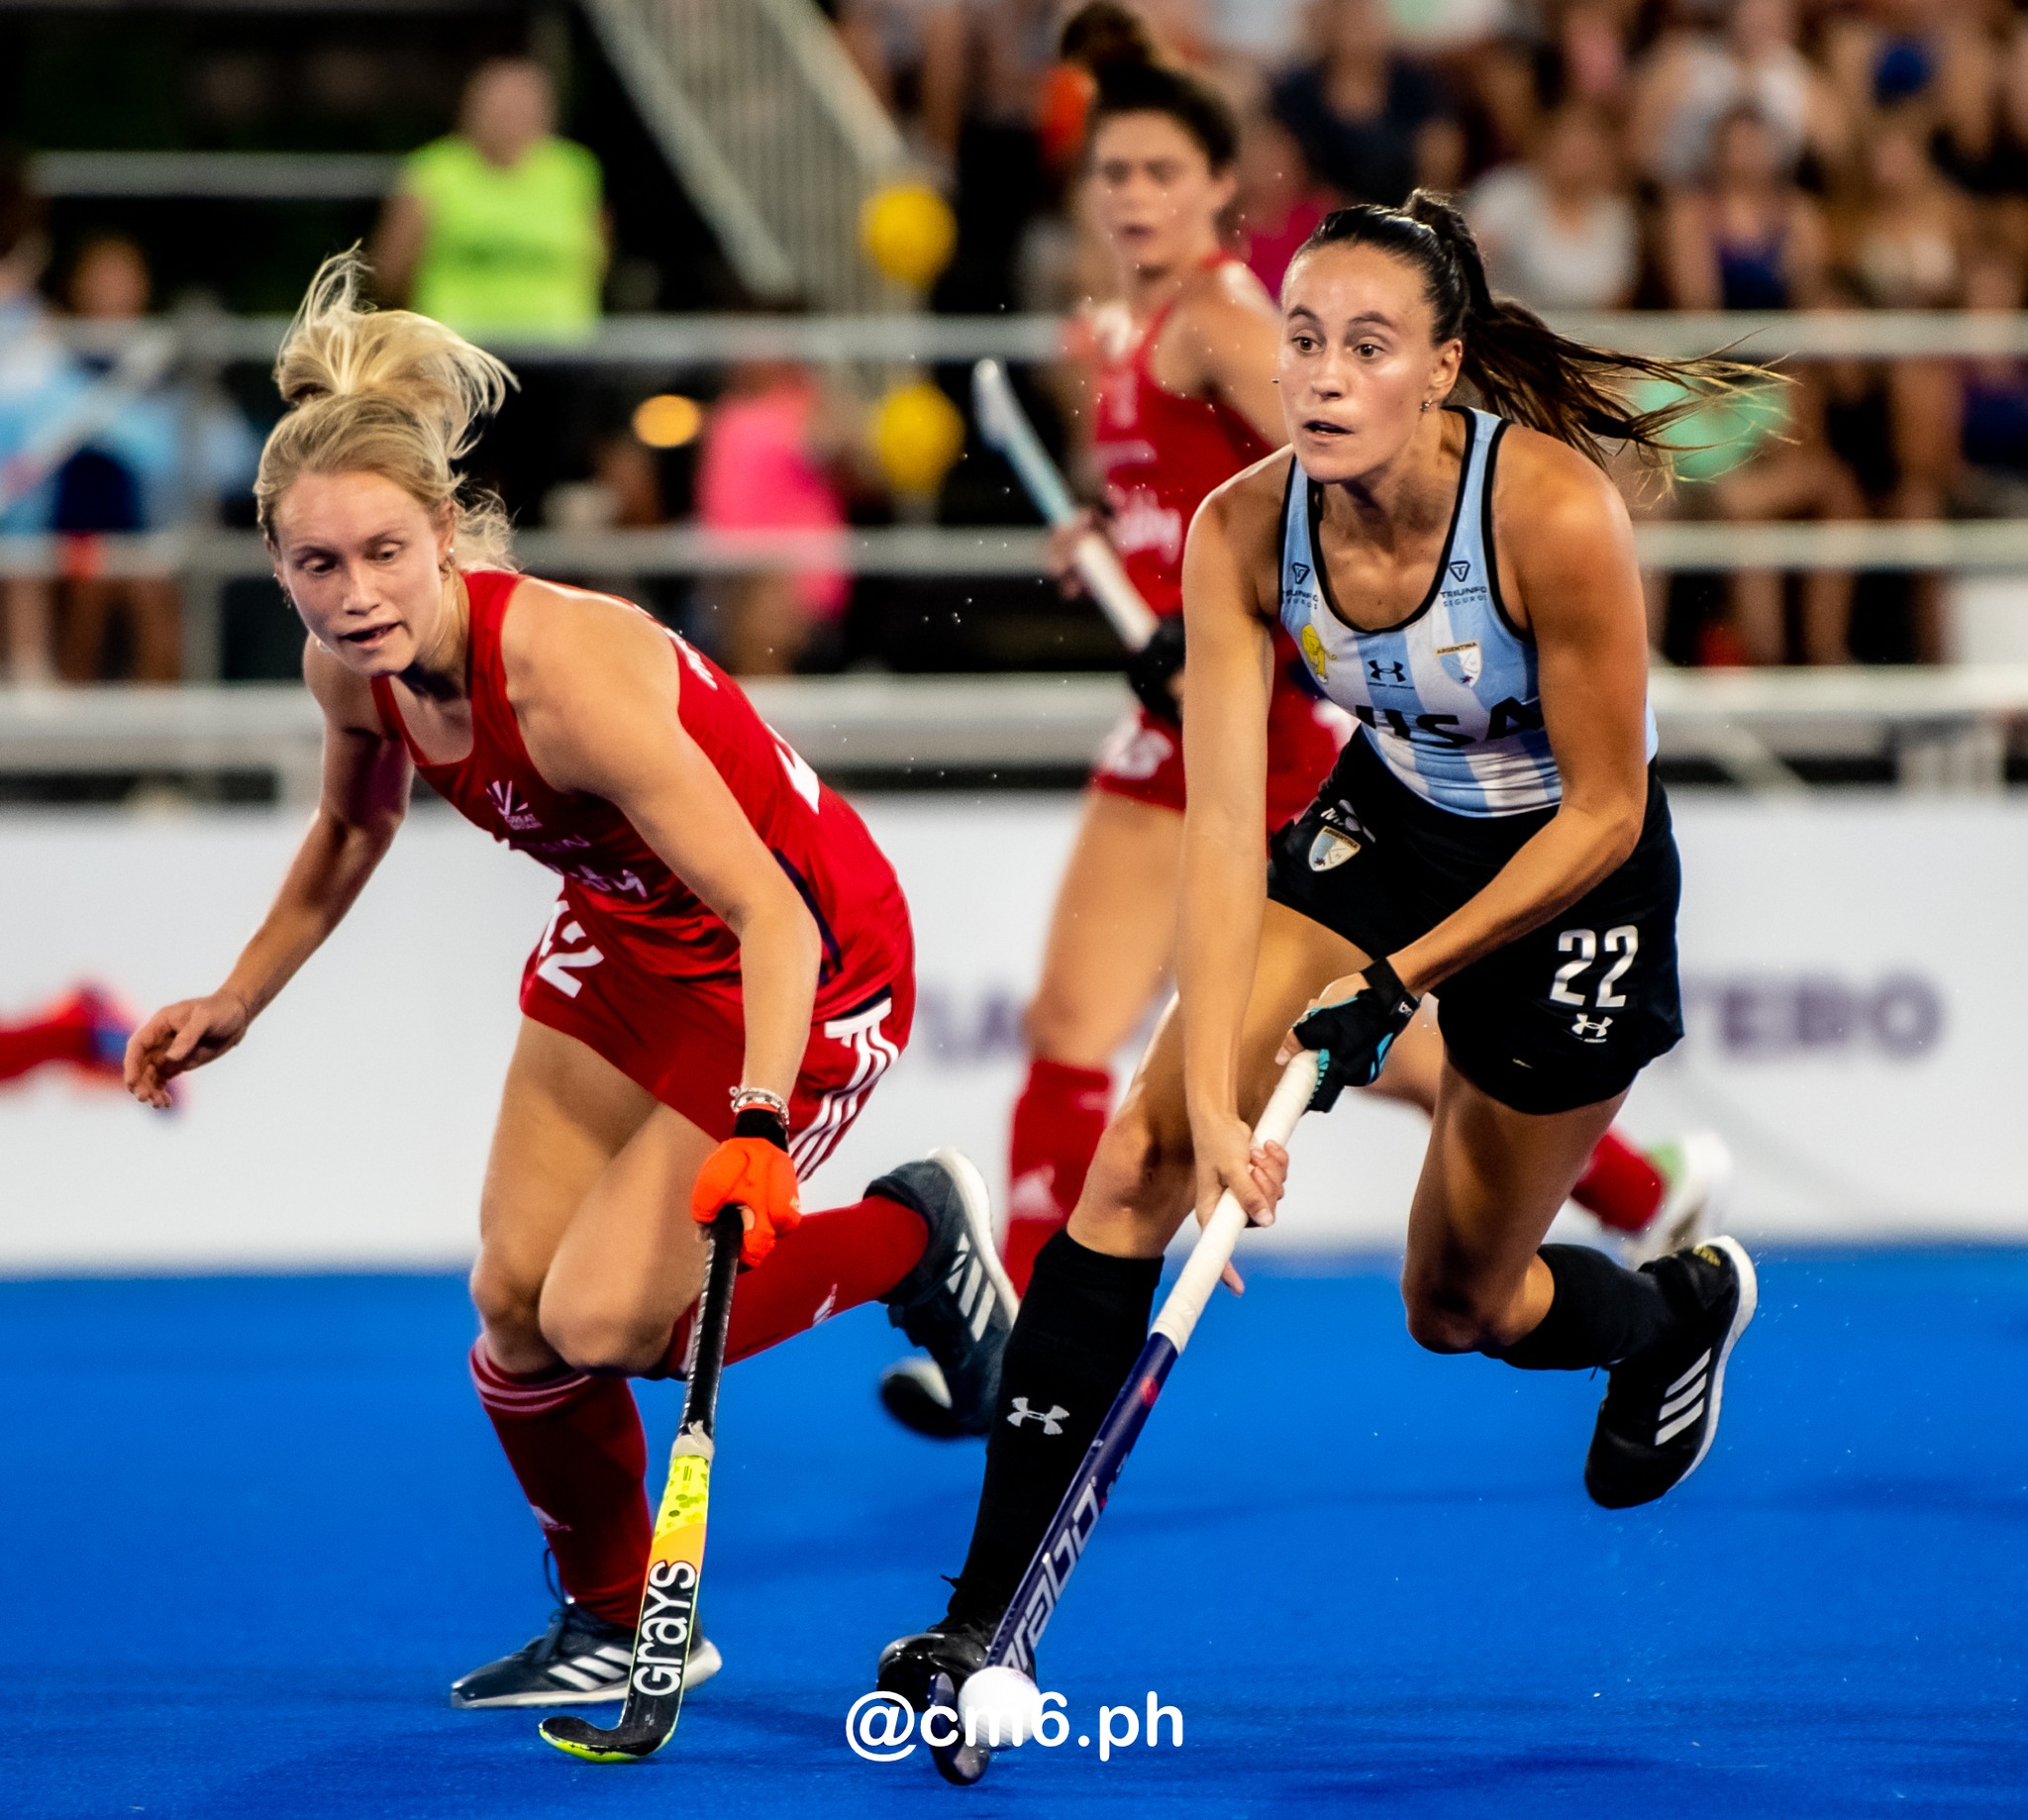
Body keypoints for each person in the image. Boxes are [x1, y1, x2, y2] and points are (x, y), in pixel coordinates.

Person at [875, 193, 1760, 1700]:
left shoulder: (1548, 515)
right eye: (1302, 343)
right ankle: (980, 1616)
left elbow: (1609, 810)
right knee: (1138, 1155)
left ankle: (1677, 1308)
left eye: (1369, 345)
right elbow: (1225, 831)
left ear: (1443, 368)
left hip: (1576, 882)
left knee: (1457, 1305)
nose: (1327, 377)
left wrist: (1398, 979)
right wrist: (1216, 1103)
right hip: (1391, 819)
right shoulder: (1246, 531)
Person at [121, 253, 1014, 1711]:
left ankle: (916, 1237)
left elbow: (769, 914)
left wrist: (760, 1129)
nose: (355, 596)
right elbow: (355, 821)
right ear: (277, 562)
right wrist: (240, 995)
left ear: (449, 537)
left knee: (615, 1322)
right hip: (621, 938)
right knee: (516, 1306)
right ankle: (613, 1616)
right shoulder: (347, 667)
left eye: (386, 555)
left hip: (796, 949)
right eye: (316, 564)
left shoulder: (571, 675)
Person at [372, 57, 608, 341]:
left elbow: (595, 261)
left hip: (562, 351)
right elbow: (391, 274)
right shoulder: (433, 171)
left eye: (522, 108)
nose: (510, 118)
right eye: (500, 108)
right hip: (455, 348)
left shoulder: (575, 171)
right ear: (470, 110)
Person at [1465, 103, 1640, 312]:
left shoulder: (1616, 216)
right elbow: (1464, 266)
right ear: (1547, 142)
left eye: (1585, 145)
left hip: (1586, 337)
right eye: (1568, 140)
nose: (1575, 153)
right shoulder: (1504, 195)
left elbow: (1617, 300)